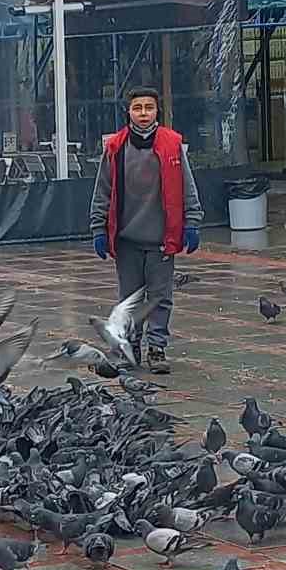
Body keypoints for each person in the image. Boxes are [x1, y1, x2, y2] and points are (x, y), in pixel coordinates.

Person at [88, 86, 204, 374]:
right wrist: (98, 228)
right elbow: (103, 190)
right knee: (129, 299)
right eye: (137, 107)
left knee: (160, 297)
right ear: (128, 111)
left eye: (148, 107)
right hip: (126, 239)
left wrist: (192, 222)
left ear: (157, 111)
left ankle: (157, 348)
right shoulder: (115, 147)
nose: (143, 113)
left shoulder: (172, 144)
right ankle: (131, 346)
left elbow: (187, 186)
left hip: (162, 239)